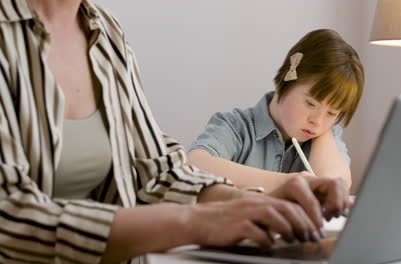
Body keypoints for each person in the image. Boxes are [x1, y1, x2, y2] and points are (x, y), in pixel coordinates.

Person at [0, 1, 351, 263]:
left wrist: (252, 201)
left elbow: (158, 171)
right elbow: (9, 217)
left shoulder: (104, 32)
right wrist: (198, 221)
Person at [188, 29, 364, 192]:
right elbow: (194, 164)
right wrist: (286, 183)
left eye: (332, 113)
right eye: (311, 103)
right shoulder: (236, 127)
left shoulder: (327, 136)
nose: (317, 120)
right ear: (285, 82)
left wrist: (324, 134)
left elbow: (333, 185)